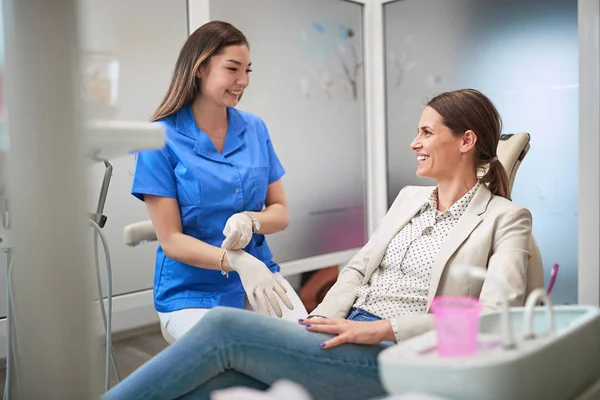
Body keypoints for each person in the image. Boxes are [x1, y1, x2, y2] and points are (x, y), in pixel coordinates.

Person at [105, 88, 541, 400]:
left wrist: (382, 330)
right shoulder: (410, 199)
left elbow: (494, 318)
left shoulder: (506, 219)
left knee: (223, 329)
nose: (415, 143)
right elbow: (357, 270)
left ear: (466, 141)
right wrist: (316, 321)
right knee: (220, 383)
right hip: (340, 330)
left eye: (427, 133)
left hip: (396, 352)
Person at [131, 20, 307, 341]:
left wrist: (250, 220)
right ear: (200, 68)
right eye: (232, 69)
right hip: (191, 291)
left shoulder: (254, 129)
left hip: (259, 279)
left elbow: (280, 212)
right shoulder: (157, 139)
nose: (243, 81)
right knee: (234, 358)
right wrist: (236, 260)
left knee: (303, 348)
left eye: (248, 70)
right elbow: (170, 239)